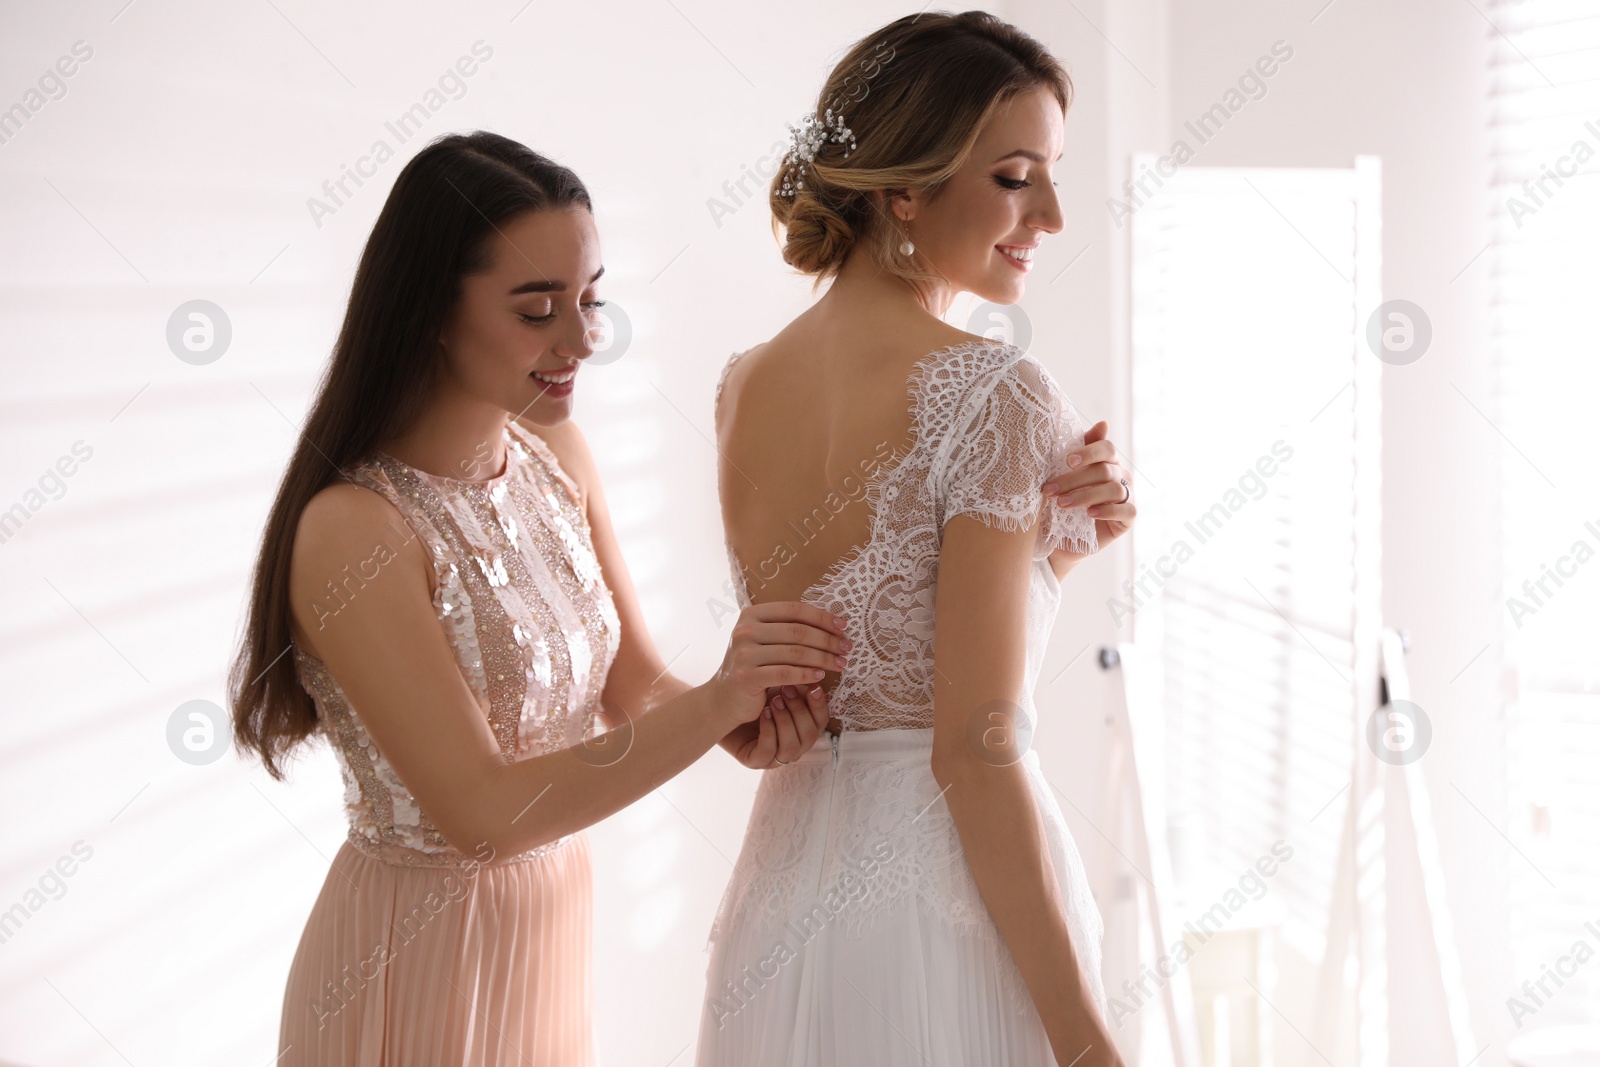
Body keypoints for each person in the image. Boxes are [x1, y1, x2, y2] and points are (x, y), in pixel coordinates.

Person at [227, 131, 845, 1066]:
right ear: (431, 308)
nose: (583, 338)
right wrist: (720, 699)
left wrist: (739, 721)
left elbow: (634, 685)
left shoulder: (560, 457)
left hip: (549, 931)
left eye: (590, 298)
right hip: (409, 957)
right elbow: (481, 812)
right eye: (538, 309)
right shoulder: (354, 527)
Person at [698, 12, 1135, 1067]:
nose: (1052, 214)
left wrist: (1058, 544)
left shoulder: (744, 382)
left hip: (782, 892)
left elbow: (878, 643)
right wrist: (1083, 1041)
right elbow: (971, 749)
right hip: (941, 905)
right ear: (904, 185)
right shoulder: (992, 390)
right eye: (1017, 177)